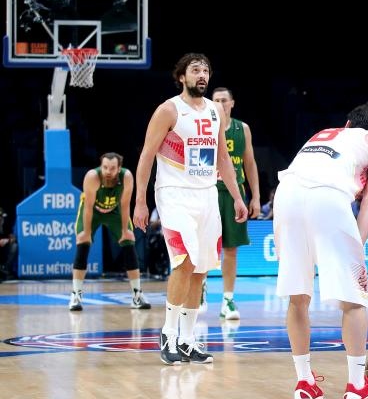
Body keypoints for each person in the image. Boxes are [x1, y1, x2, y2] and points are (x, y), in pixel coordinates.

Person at [274, 101, 368, 399]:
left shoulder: (324, 133)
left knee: (298, 295)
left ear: (348, 123)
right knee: (354, 297)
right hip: (327, 196)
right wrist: (358, 248)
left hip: (285, 195)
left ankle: (304, 384)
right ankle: (358, 388)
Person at [133, 53, 248, 366]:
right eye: (196, 70)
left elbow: (223, 157)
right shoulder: (168, 110)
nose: (202, 75)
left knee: (201, 268)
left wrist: (237, 197)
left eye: (206, 70)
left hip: (207, 194)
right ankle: (168, 333)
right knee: (183, 263)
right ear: (181, 76)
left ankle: (187, 339)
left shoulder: (214, 110)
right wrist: (140, 200)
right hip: (173, 194)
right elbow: (145, 155)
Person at [68, 152, 150, 311]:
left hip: (114, 211)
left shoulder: (126, 177)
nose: (108, 171)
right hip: (93, 211)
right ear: (101, 166)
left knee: (129, 243)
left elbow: (125, 204)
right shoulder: (92, 177)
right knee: (83, 242)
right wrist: (86, 232)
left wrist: (126, 230)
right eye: (105, 167)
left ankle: (137, 295)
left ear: (119, 168)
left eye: (112, 168)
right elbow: (89, 207)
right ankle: (76, 295)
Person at [205, 86, 261, 321]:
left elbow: (249, 163)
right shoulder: (204, 127)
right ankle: (199, 290)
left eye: (224, 100)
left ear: (232, 103)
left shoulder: (242, 129)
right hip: (208, 191)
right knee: (204, 246)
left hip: (234, 193)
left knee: (230, 249)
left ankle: (227, 299)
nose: (220, 103)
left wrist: (256, 197)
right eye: (215, 100)